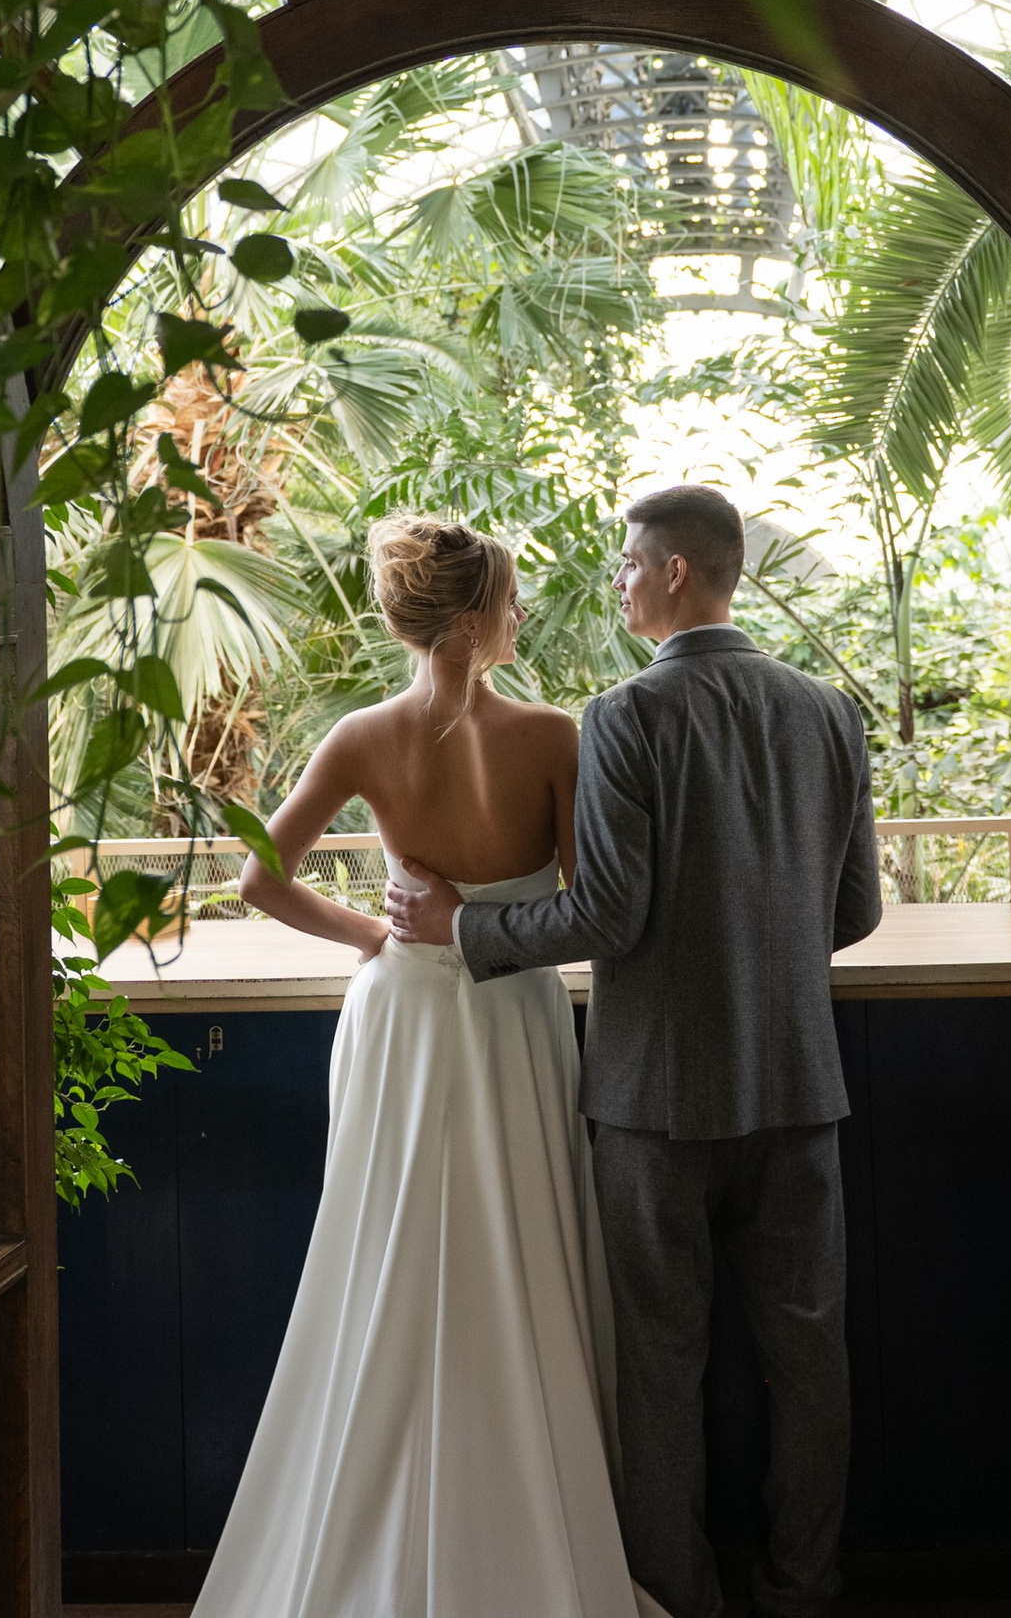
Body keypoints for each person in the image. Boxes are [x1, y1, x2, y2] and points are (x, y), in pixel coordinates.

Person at [388, 483, 883, 1618]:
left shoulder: (626, 716)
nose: (613, 582)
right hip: (800, 1088)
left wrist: (462, 925)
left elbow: (605, 916)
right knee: (810, 1364)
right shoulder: (829, 711)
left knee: (660, 1371)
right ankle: (803, 1594)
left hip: (655, 1102)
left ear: (673, 573)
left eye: (624, 565)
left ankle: (676, 1600)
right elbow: (851, 911)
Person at [191, 513, 664, 1618]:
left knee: (387, 1249)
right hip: (509, 1011)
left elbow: (258, 880)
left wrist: (378, 936)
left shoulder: (361, 735)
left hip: (402, 1009)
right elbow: (587, 912)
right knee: (517, 1242)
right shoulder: (556, 735)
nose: (520, 613)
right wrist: (468, 925)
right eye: (507, 597)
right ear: (469, 620)